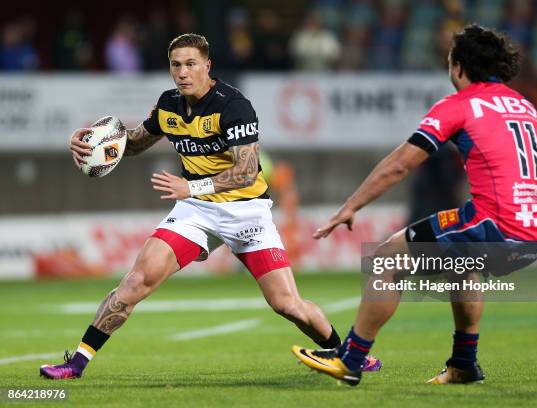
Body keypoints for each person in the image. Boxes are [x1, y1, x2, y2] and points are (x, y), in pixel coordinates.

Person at [40, 33, 380, 380]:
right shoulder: (169, 104)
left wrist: (192, 186)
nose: (183, 72)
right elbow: (137, 142)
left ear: (207, 65)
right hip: (197, 212)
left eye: (190, 64)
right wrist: (96, 144)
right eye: (176, 65)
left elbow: (247, 172)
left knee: (287, 305)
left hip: (247, 211)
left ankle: (348, 355)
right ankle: (76, 363)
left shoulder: (232, 105)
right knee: (136, 282)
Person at [292, 24, 537, 386]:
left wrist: (351, 205)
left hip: (493, 226)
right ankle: (464, 365)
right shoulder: (525, 107)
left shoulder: (458, 106)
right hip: (533, 234)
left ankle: (351, 359)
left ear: (460, 67)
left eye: (450, 62)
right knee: (461, 264)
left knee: (387, 258)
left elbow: (401, 163)